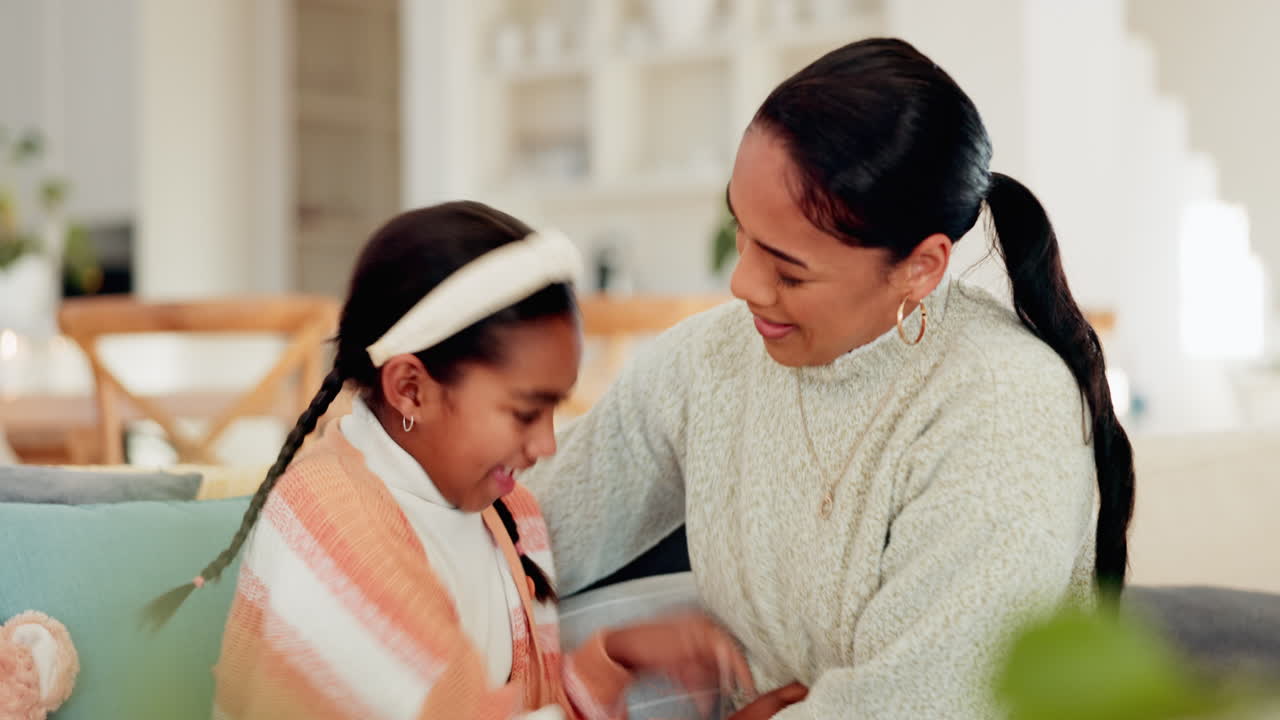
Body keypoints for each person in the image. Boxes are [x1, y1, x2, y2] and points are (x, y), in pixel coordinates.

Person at [523, 38, 1135, 719]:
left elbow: (926, 703)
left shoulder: (1003, 407)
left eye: (788, 270)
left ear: (922, 267)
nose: (742, 282)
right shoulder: (712, 360)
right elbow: (520, 533)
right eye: (741, 231)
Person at [152, 201, 754, 719]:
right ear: (411, 388)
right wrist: (604, 669)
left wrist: (613, 658)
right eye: (524, 413)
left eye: (553, 413)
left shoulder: (509, 513)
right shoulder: (327, 518)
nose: (546, 445)